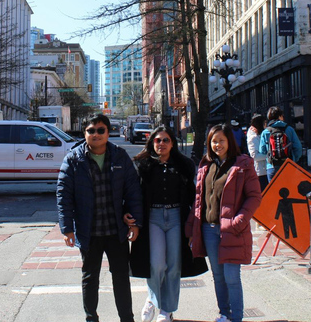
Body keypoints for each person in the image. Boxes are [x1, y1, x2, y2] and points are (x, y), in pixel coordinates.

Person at [56, 114, 144, 322]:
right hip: (89, 231)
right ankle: (91, 318)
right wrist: (67, 228)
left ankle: (126, 318)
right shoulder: (73, 159)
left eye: (100, 130)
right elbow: (64, 194)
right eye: (91, 130)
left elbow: (133, 191)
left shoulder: (120, 156)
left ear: (108, 132)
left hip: (116, 231)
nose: (96, 134)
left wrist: (136, 222)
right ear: (85, 133)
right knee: (90, 277)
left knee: (121, 277)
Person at [128, 126, 207, 322]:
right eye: (157, 140)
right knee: (156, 264)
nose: (161, 144)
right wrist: (131, 218)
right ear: (152, 143)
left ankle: (167, 310)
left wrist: (193, 222)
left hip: (175, 217)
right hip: (153, 217)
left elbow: (193, 195)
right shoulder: (143, 165)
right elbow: (134, 194)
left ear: (172, 143)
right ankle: (153, 300)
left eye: (165, 140)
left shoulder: (184, 165)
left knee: (174, 265)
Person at [186, 123, 262, 322]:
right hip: (208, 229)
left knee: (232, 277)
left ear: (229, 140)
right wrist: (191, 228)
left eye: (221, 140)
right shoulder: (206, 165)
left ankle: (236, 318)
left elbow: (254, 196)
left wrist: (239, 221)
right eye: (213, 141)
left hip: (232, 230)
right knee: (218, 277)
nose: (217, 144)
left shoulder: (243, 164)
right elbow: (198, 200)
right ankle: (224, 314)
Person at [258, 107, 303, 182]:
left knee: (274, 192)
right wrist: (294, 159)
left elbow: (262, 151)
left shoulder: (265, 132)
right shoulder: (289, 129)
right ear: (280, 116)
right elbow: (298, 147)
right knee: (290, 190)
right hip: (289, 165)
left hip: (272, 167)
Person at [246, 113, 268, 191]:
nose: (266, 125)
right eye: (264, 123)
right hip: (260, 171)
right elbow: (254, 156)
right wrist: (268, 155)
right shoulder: (253, 137)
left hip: (264, 169)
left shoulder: (259, 134)